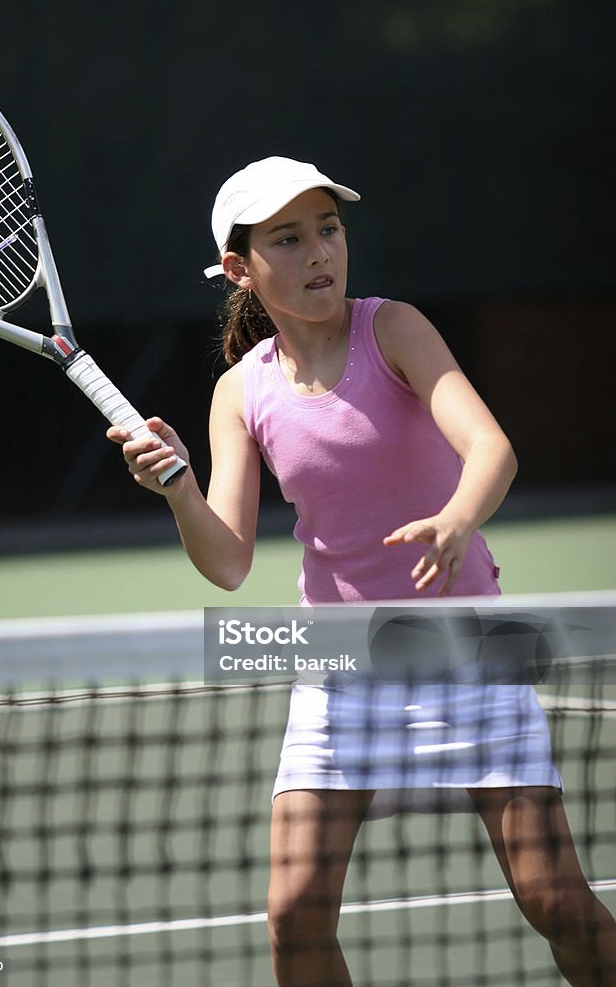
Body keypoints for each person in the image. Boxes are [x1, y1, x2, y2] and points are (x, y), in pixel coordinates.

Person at [107, 157, 616, 986]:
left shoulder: (394, 329)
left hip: (468, 650)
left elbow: (491, 448)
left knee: (552, 896)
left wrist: (457, 518)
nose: (319, 252)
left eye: (328, 230)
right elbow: (228, 563)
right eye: (288, 238)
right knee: (294, 915)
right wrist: (178, 488)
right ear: (239, 268)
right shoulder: (240, 392)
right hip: (340, 667)